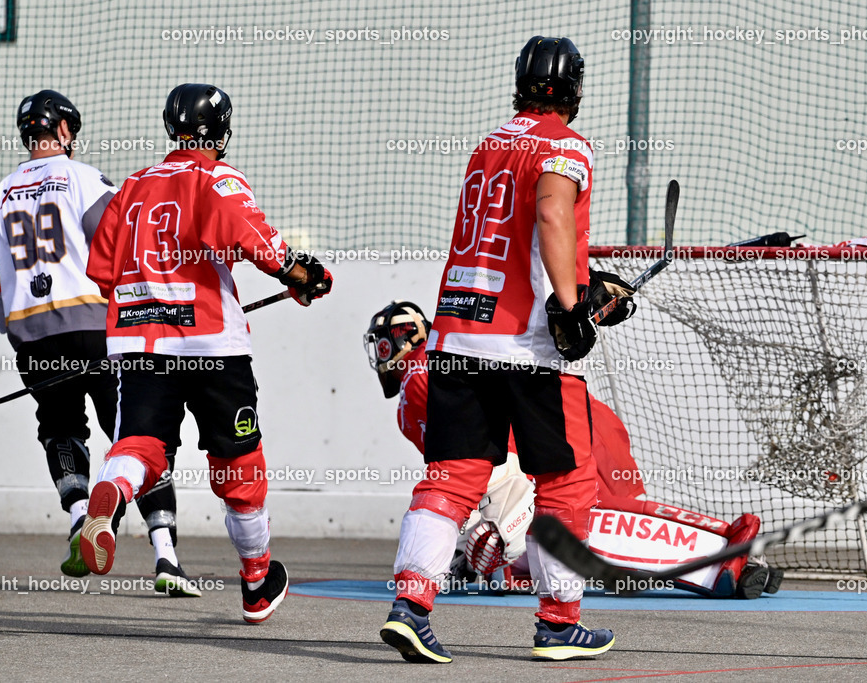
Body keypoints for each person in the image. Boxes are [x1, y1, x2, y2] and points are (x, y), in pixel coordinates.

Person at [378, 35, 625, 664]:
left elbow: (512, 239)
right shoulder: (566, 145)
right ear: (574, 90)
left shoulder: (488, 144)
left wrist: (584, 290)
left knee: (451, 477)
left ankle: (410, 605)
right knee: (567, 481)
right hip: (525, 345)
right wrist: (572, 305)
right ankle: (559, 624)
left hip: (457, 335)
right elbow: (550, 217)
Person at [80, 83, 332, 624]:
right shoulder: (218, 178)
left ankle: (112, 491)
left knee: (141, 445)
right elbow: (258, 241)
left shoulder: (132, 187)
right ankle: (257, 582)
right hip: (213, 346)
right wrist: (303, 273)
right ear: (219, 131)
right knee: (239, 467)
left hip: (139, 345)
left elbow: (101, 272)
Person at [365, 300, 784, 600]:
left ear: (400, 339)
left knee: (586, 530)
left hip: (567, 435)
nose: (380, 356)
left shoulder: (422, 376)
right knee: (566, 542)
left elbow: (489, 461)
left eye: (381, 345)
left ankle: (725, 557)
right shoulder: (435, 369)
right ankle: (739, 555)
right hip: (575, 427)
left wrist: (501, 525)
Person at [0, 89, 199, 596]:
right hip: (98, 332)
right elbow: (127, 246)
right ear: (64, 131)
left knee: (60, 428)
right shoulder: (84, 178)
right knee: (136, 436)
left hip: (34, 339)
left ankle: (79, 517)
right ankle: (166, 556)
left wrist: (17, 327)